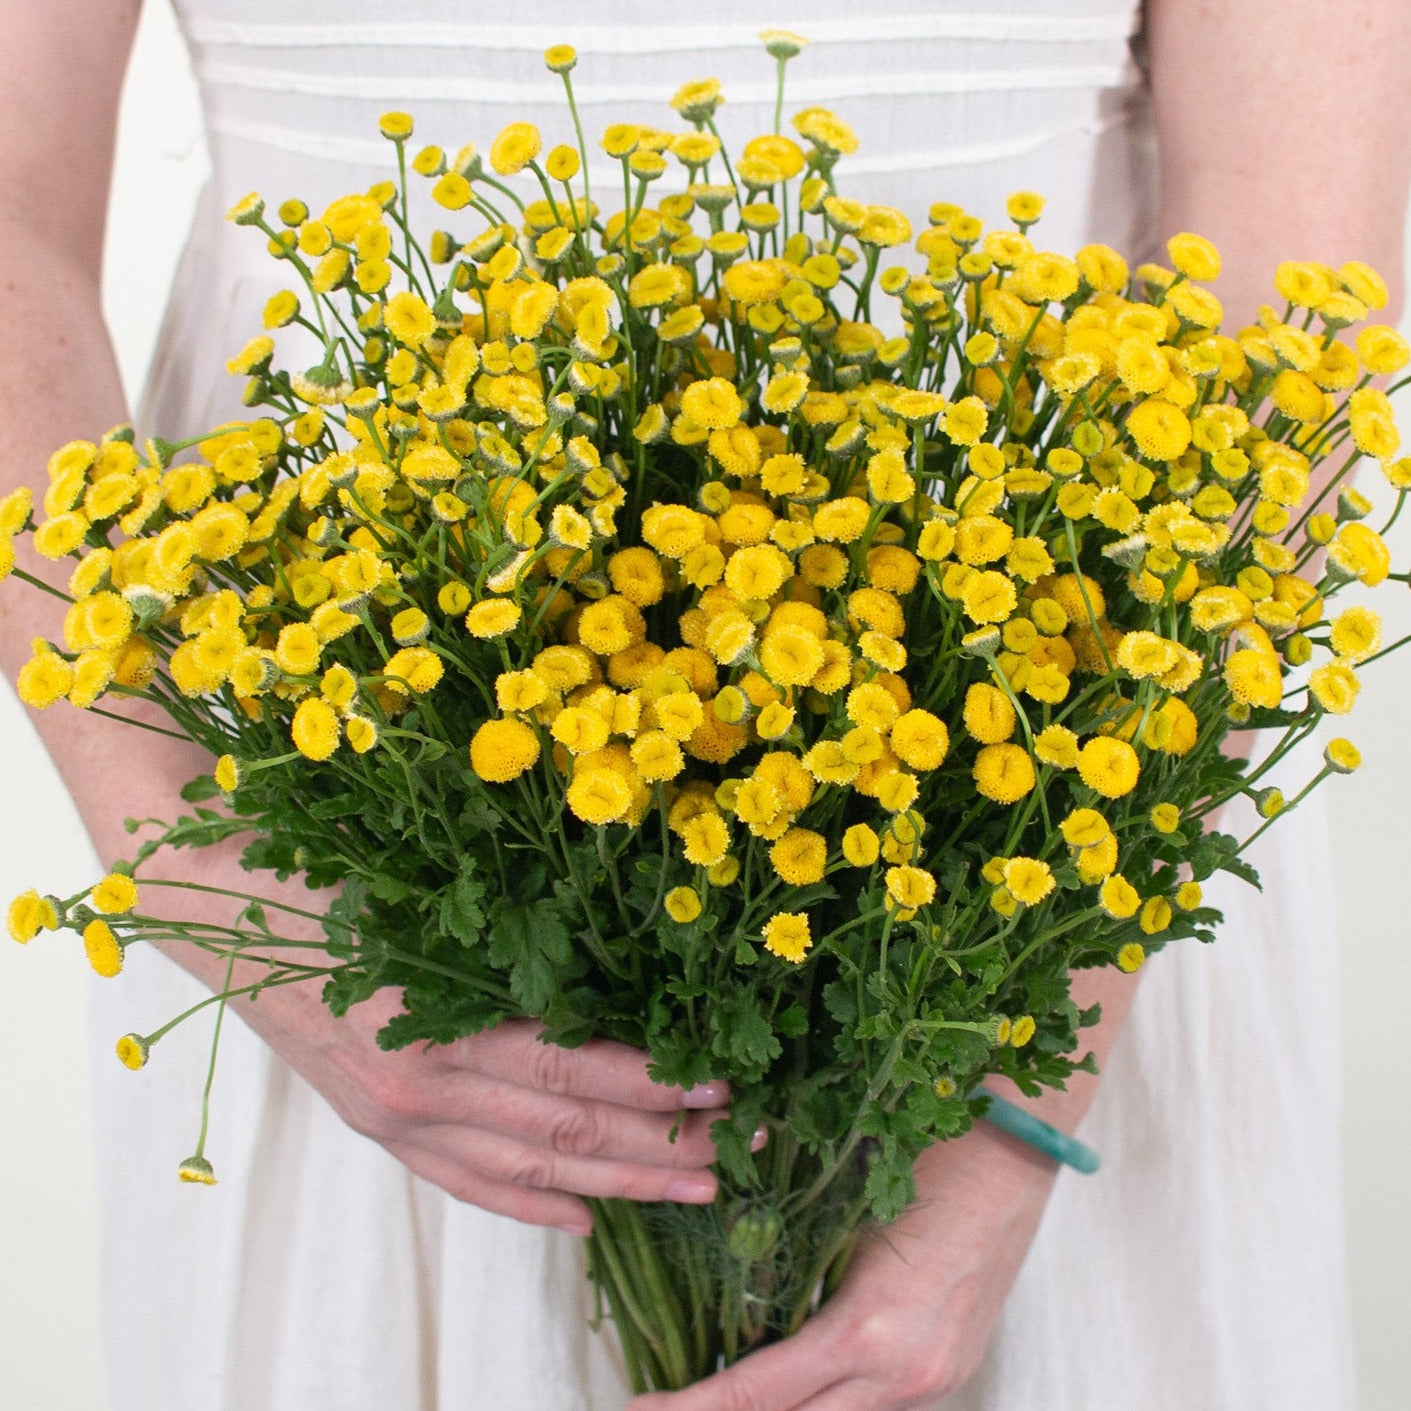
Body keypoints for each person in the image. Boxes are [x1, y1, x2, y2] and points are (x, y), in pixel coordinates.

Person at [1, 1, 1408, 1407]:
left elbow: (1291, 303)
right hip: (352, 778)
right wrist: (217, 887)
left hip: (1040, 819)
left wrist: (1013, 1111)